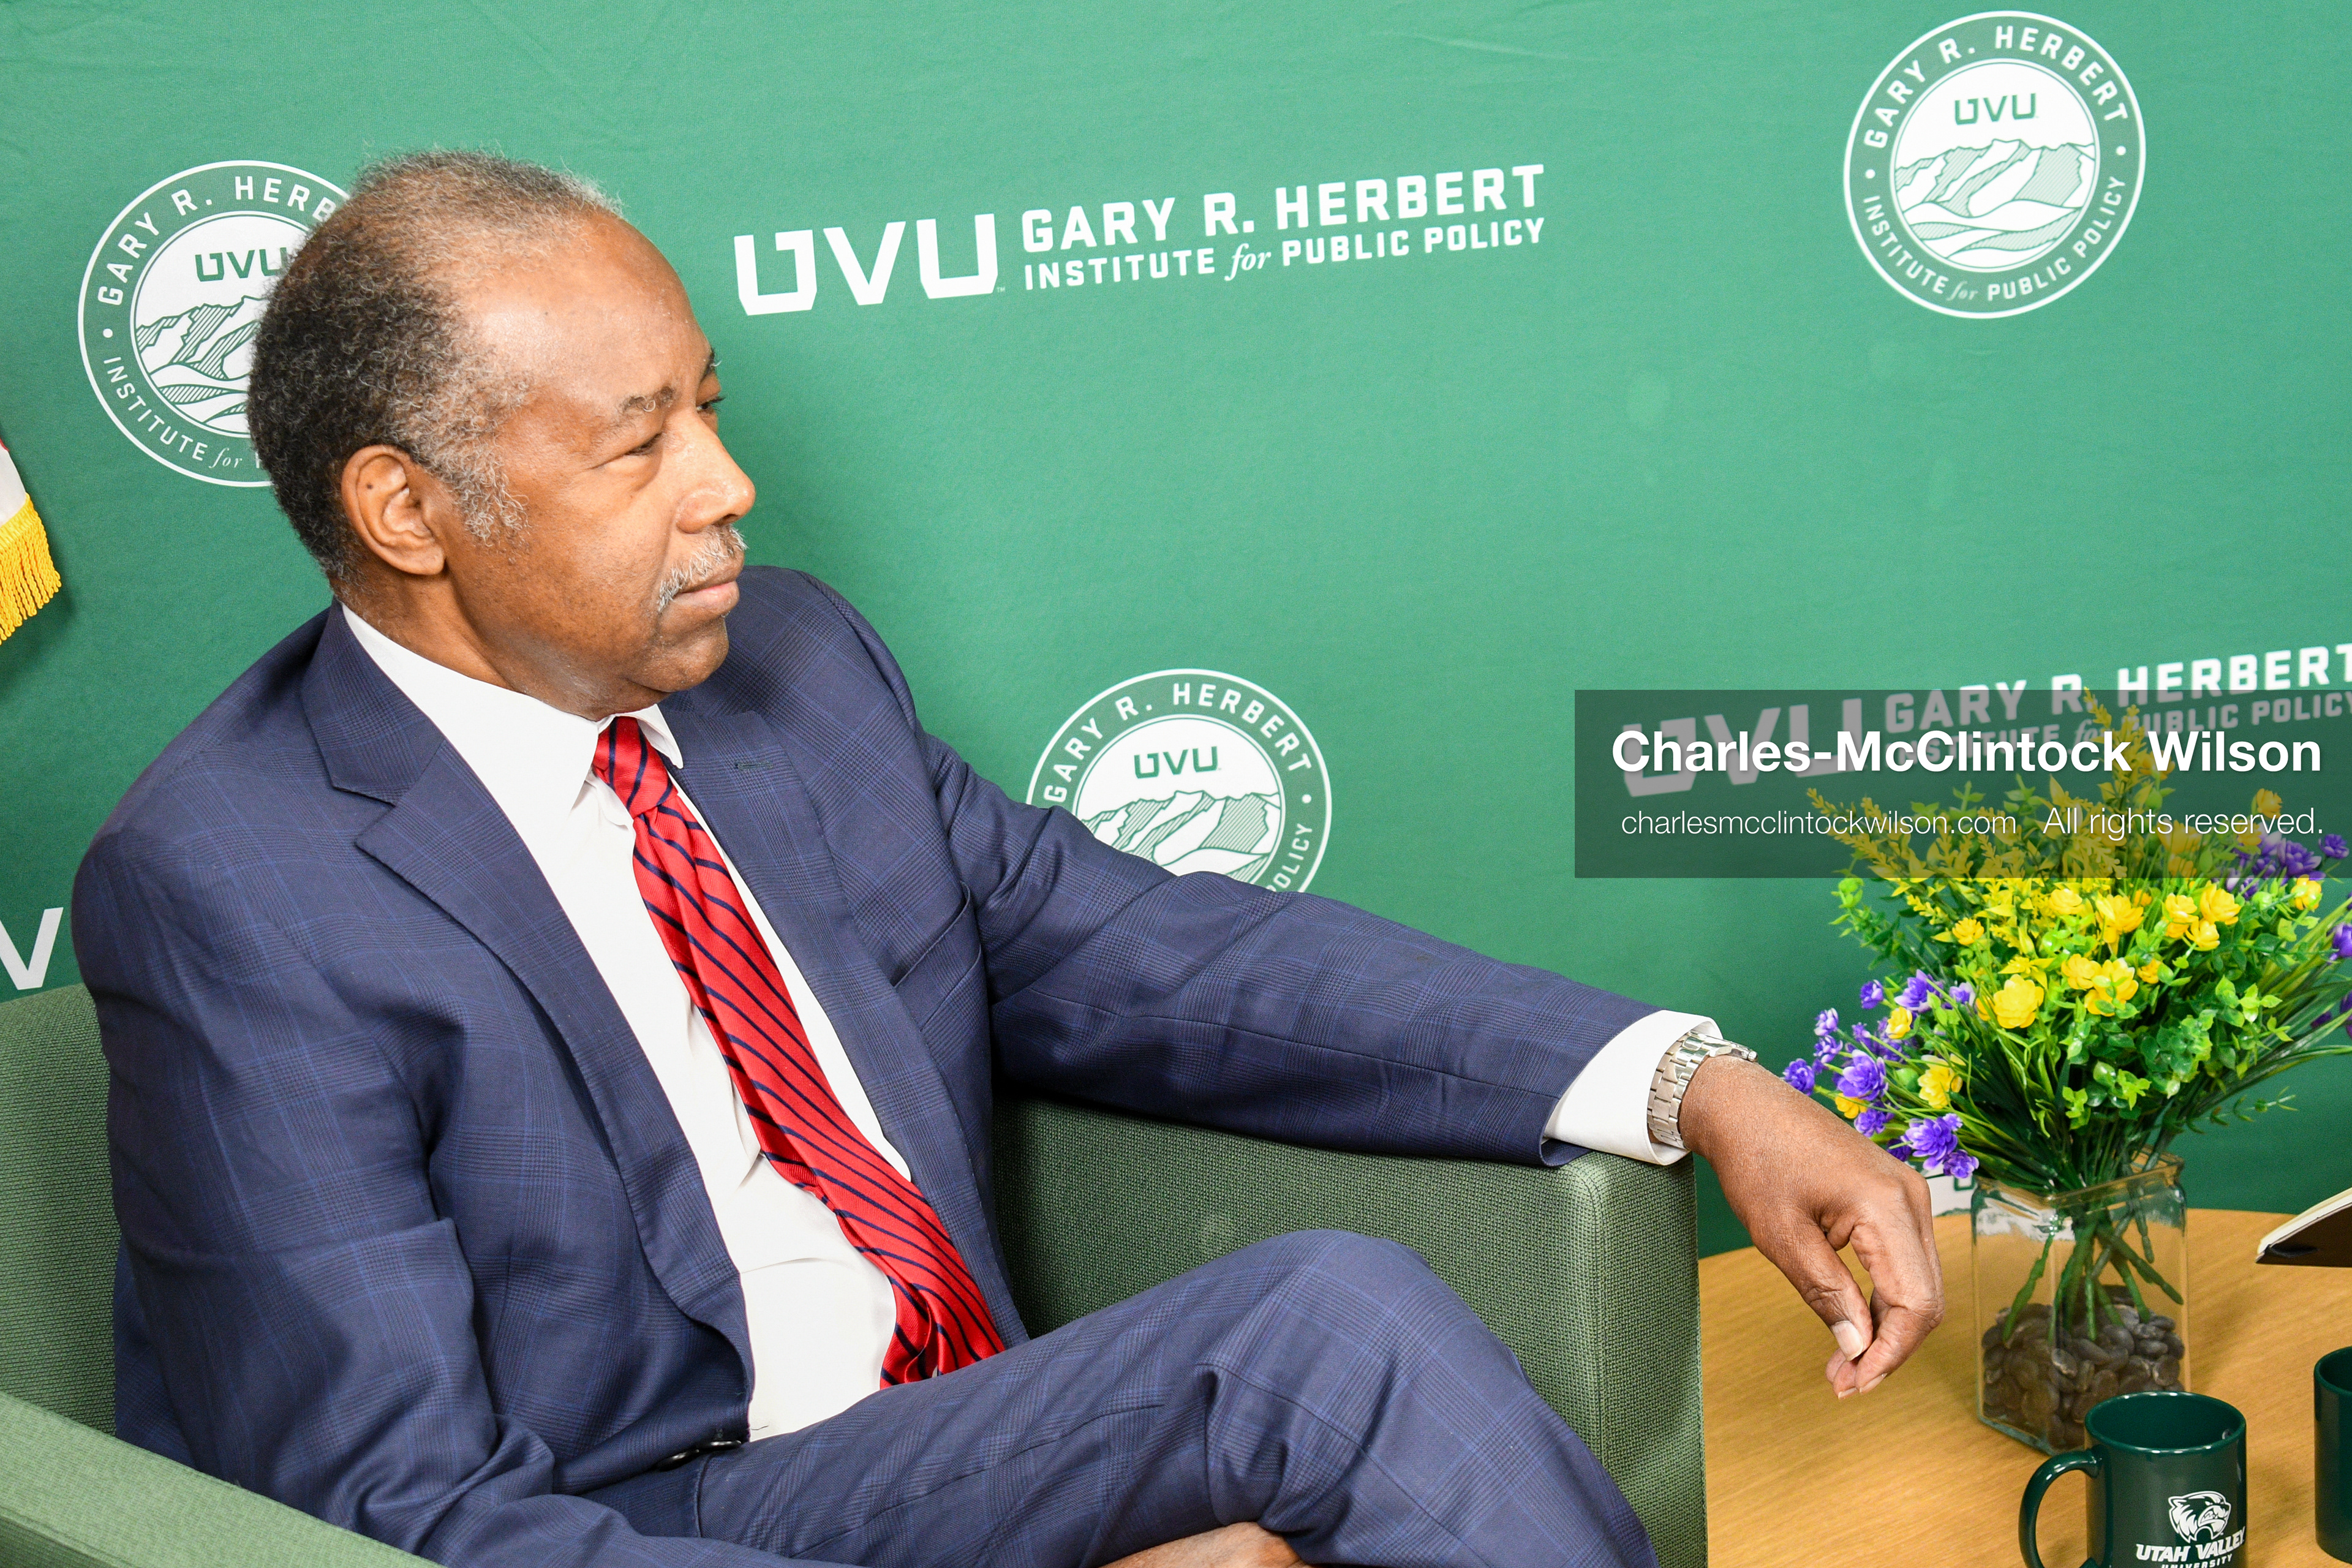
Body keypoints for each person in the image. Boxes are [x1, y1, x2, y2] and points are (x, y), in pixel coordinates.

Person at [73, 153, 1940, 1568]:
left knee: (1325, 1337)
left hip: (958, 1434)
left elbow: (1162, 961)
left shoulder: (787, 671)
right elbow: (403, 1514)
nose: (726, 485)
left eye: (709, 406)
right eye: (639, 446)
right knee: (1323, 1326)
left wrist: (1697, 1085)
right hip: (647, 1516)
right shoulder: (235, 880)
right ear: (407, 508)